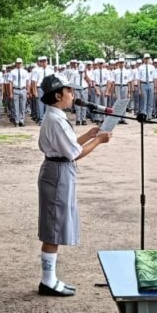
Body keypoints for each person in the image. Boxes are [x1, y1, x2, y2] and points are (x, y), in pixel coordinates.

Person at [36, 74, 112, 297]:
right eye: (69, 91)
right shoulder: (56, 120)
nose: (73, 95)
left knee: (56, 224)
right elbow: (74, 154)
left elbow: (67, 147)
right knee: (53, 227)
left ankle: (50, 279)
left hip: (58, 169)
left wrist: (87, 135)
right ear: (58, 96)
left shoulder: (55, 116)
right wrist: (98, 141)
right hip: (58, 173)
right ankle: (47, 281)